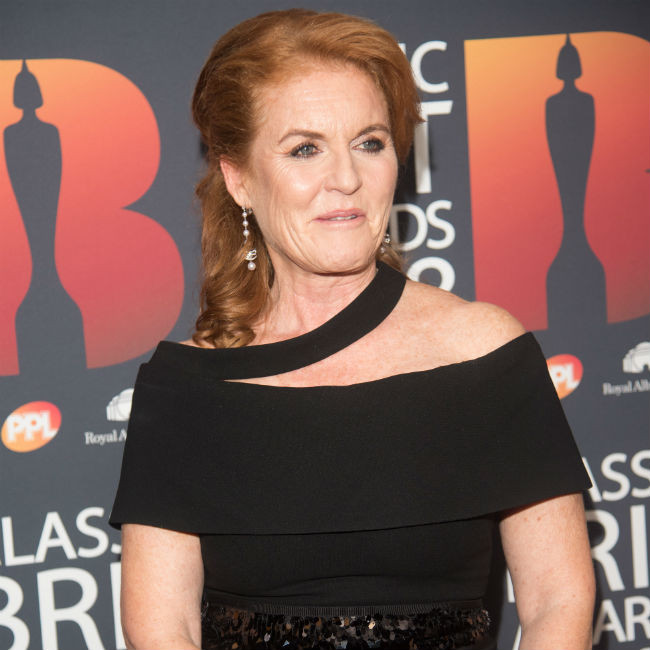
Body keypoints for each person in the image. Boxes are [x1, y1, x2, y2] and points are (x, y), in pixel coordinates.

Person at [110, 9, 595, 650]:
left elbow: (560, 602)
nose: (346, 179)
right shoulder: (186, 389)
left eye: (369, 143)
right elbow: (161, 629)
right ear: (239, 178)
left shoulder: (483, 356)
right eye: (305, 149)